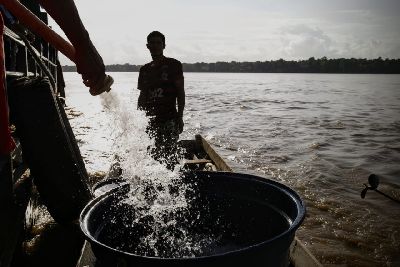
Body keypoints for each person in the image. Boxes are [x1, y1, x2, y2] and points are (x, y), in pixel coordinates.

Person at [137, 31, 185, 169]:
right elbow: (142, 96)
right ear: (147, 46)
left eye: (159, 43)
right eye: (152, 43)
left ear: (164, 46)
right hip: (151, 120)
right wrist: (139, 120)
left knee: (170, 157)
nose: (155, 46)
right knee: (153, 156)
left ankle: (173, 184)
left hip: (169, 119)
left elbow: (180, 92)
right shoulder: (144, 70)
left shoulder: (173, 65)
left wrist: (180, 117)